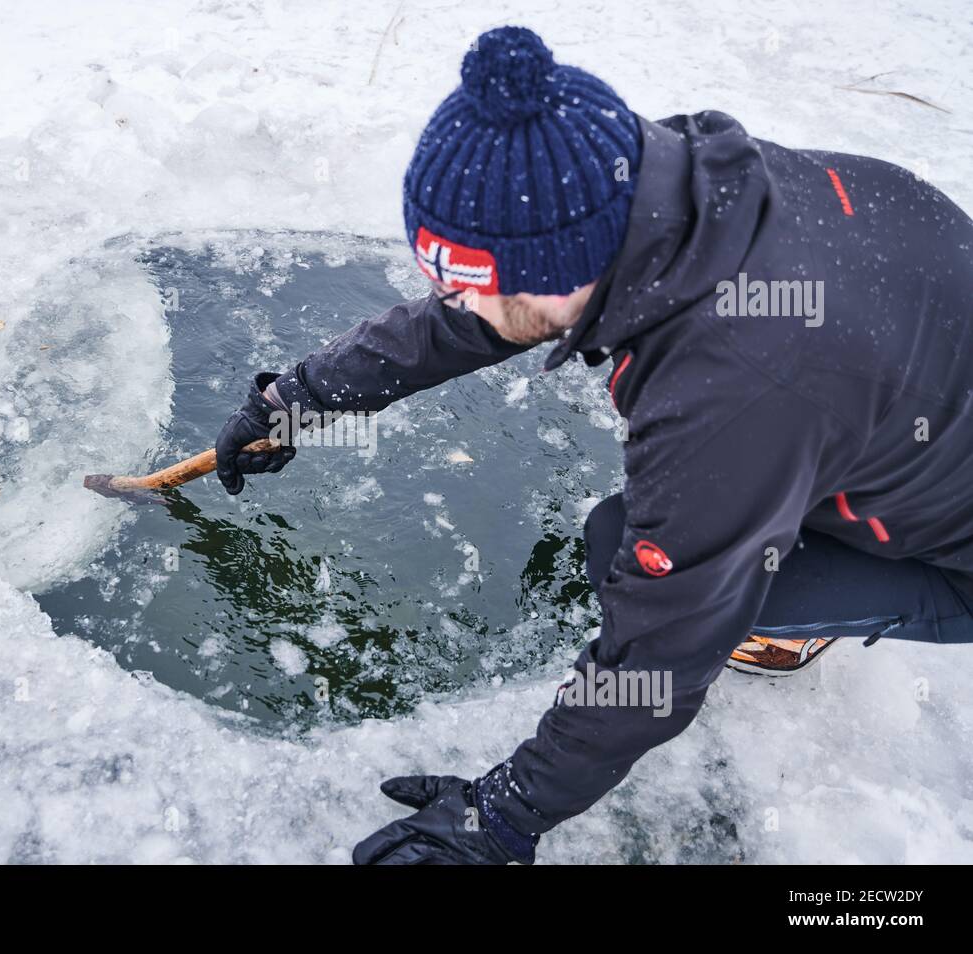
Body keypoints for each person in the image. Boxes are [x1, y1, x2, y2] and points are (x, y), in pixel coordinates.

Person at [213, 26, 973, 865]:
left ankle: (793, 622)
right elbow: (487, 315)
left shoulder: (731, 386)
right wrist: (302, 397)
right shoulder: (668, 191)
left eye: (465, 282)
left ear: (557, 264)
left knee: (631, 551)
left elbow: (662, 655)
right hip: (895, 397)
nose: (450, 301)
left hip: (949, 542)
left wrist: (503, 816)